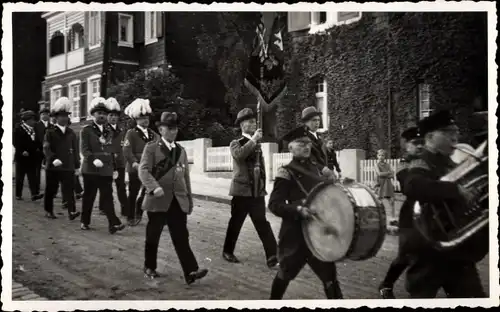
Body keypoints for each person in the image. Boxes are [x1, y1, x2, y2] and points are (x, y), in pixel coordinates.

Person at [402, 110, 488, 298]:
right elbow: (413, 185)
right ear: (431, 137)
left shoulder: (451, 163)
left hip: (457, 252)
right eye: (448, 132)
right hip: (429, 251)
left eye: (456, 132)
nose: (455, 138)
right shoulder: (421, 161)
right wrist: (455, 190)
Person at [268, 126, 343, 300]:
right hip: (296, 235)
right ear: (291, 148)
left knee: (330, 278)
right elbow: (274, 204)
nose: (306, 147)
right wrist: (298, 209)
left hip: (319, 234)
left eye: (308, 143)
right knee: (284, 275)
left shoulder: (318, 169)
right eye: (301, 144)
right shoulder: (286, 172)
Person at [138, 111, 208, 284]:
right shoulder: (152, 148)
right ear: (161, 130)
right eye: (169, 128)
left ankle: (191, 271)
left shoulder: (181, 151)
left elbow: (186, 178)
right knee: (153, 236)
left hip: (177, 201)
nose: (173, 131)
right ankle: (150, 266)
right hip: (158, 200)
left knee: (181, 237)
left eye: (175, 128)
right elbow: (143, 170)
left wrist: (189, 200)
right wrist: (154, 187)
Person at [221, 108, 278, 268]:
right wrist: (253, 140)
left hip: (256, 192)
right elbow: (239, 155)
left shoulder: (256, 144)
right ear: (241, 125)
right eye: (249, 122)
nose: (253, 124)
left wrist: (262, 186)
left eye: (254, 121)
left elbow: (262, 169)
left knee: (262, 223)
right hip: (241, 191)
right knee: (236, 223)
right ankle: (227, 251)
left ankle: (273, 255)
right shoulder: (236, 143)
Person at [378, 126, 424, 298]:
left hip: (431, 214)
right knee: (405, 254)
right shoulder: (403, 165)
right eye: (415, 143)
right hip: (410, 215)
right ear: (407, 146)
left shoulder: (431, 161)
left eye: (422, 143)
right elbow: (408, 187)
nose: (419, 146)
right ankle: (386, 284)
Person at [80, 97, 125, 234]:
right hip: (91, 169)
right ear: (93, 114)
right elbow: (84, 149)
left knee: (107, 196)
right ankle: (85, 221)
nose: (102, 116)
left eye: (104, 113)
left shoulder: (108, 131)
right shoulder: (86, 130)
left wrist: (115, 167)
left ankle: (113, 223)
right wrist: (93, 159)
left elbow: (111, 150)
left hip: (105, 169)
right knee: (89, 196)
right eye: (99, 113)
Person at [42, 98, 80, 220]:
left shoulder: (71, 133)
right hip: (54, 166)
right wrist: (53, 159)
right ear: (56, 118)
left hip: (68, 166)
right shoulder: (50, 132)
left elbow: (75, 150)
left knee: (69, 190)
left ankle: (72, 211)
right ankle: (49, 210)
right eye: (61, 116)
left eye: (66, 116)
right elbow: (46, 148)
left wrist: (77, 165)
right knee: (51, 190)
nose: (64, 118)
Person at [123, 98, 159, 226]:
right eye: (142, 117)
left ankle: (139, 211)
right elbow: (127, 150)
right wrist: (134, 163)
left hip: (149, 168)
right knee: (133, 192)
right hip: (136, 167)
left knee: (147, 192)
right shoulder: (131, 133)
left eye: (147, 117)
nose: (146, 120)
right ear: (136, 119)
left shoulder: (153, 134)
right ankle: (130, 216)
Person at [283, 107, 334, 178]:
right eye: (314, 120)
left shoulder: (319, 137)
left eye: (318, 120)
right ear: (306, 122)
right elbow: (307, 158)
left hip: (322, 175)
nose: (317, 123)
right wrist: (323, 169)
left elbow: (323, 156)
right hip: (309, 175)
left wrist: (329, 169)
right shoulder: (301, 137)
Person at [99, 97, 129, 217]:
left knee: (121, 186)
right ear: (107, 116)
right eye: (111, 115)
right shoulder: (104, 130)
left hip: (120, 163)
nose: (113, 118)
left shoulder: (122, 130)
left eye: (115, 115)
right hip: (107, 162)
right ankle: (103, 207)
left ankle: (125, 209)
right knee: (106, 187)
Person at [14, 110, 44, 201]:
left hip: (32, 156)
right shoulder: (19, 129)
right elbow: (15, 142)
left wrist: (41, 150)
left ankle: (34, 194)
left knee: (32, 176)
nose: (34, 122)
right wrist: (21, 151)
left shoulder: (34, 129)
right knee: (20, 177)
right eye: (32, 120)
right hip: (22, 157)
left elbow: (38, 142)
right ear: (27, 120)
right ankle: (18, 194)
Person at [34, 107, 52, 195]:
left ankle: (50, 190)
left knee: (50, 170)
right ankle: (36, 190)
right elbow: (34, 138)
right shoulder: (36, 126)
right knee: (37, 170)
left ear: (49, 115)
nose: (45, 116)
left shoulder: (51, 126)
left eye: (46, 114)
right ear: (40, 115)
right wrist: (36, 148)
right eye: (43, 114)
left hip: (49, 151)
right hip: (38, 150)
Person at [374, 149, 395, 219]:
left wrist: (388, 174)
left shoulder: (388, 165)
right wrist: (388, 173)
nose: (381, 157)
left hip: (388, 184)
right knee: (379, 201)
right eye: (379, 155)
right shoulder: (376, 165)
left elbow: (392, 175)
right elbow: (379, 174)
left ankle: (393, 217)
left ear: (385, 156)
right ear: (377, 156)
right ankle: (380, 217)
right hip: (380, 184)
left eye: (382, 155)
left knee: (391, 201)